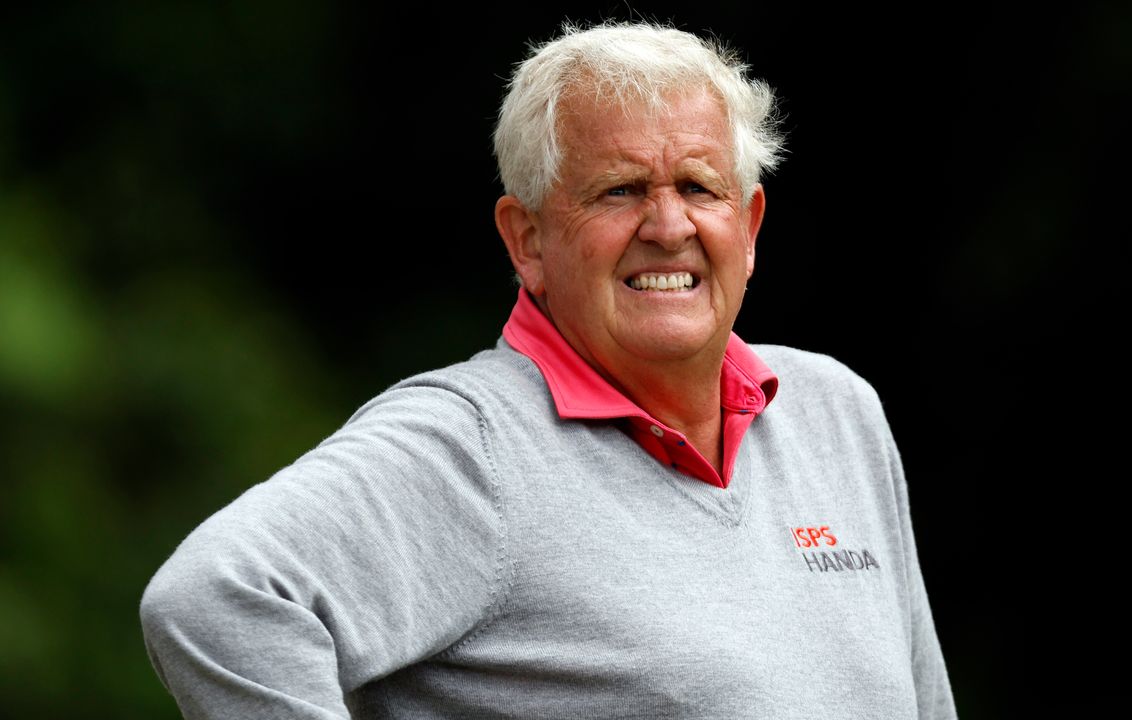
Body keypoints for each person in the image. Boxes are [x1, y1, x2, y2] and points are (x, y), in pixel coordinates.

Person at [140, 19, 958, 719]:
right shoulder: (473, 447)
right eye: (619, 190)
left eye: (699, 187)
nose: (668, 225)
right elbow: (216, 599)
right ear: (526, 239)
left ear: (747, 226)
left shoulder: (836, 413)